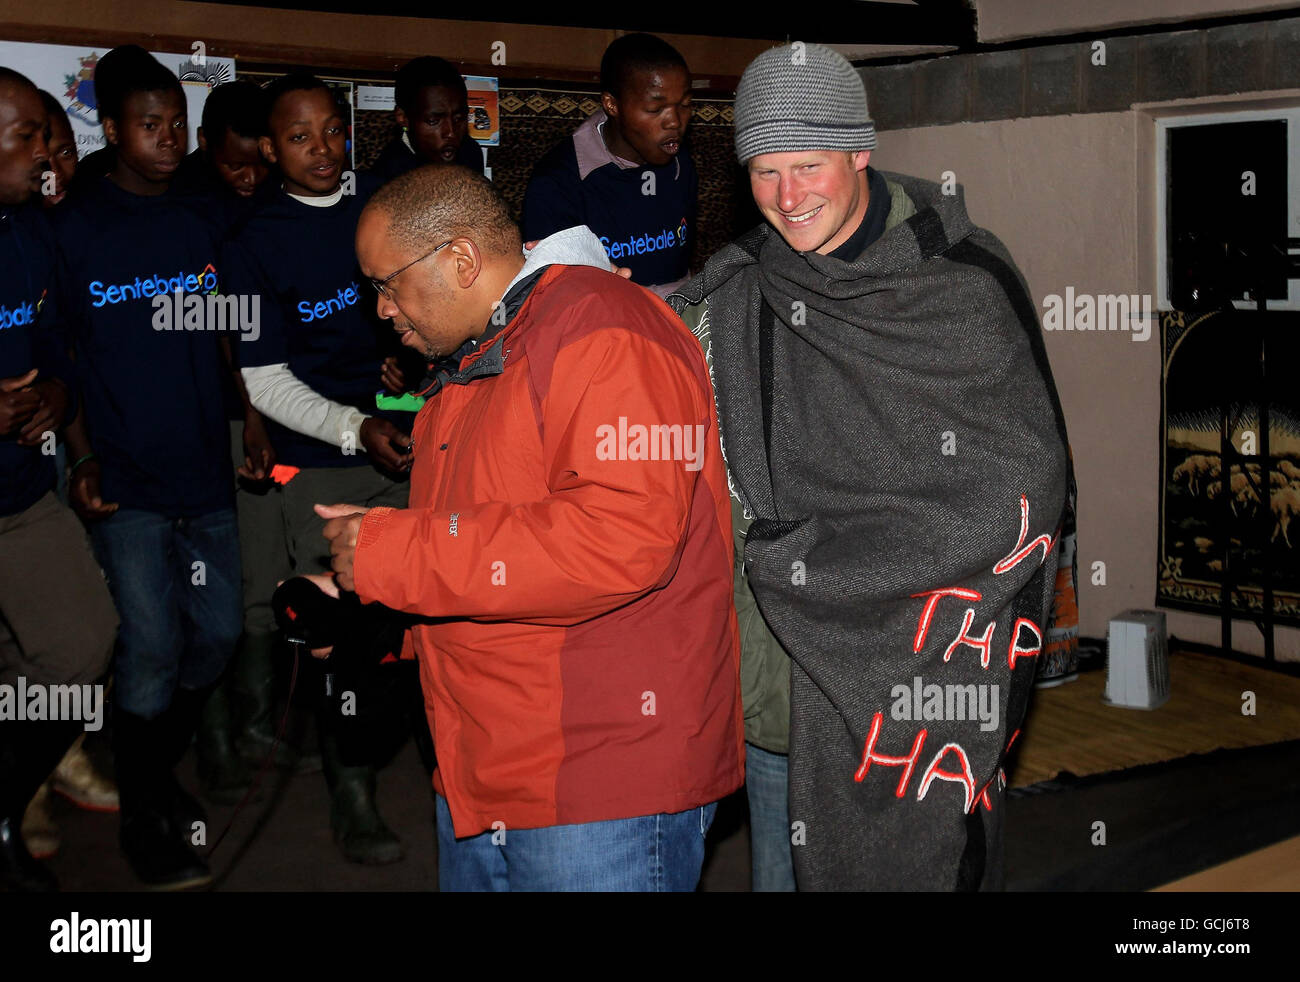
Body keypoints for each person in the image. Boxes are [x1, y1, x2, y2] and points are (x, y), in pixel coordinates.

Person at [666, 43, 1069, 891]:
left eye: (808, 166)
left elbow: (1019, 488)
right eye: (765, 172)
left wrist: (834, 568)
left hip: (929, 670)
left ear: (860, 150)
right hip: (784, 676)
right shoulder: (742, 292)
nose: (787, 198)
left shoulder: (959, 285)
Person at [319, 164, 743, 891]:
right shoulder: (484, 349)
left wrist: (391, 552)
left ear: (459, 258)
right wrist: (368, 591)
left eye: (386, 284)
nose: (382, 310)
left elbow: (621, 540)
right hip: (491, 761)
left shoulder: (605, 328)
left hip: (598, 777)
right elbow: (488, 533)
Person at [53, 45, 242, 890]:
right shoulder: (74, 228)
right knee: (153, 647)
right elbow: (64, 362)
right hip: (126, 476)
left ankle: (150, 767)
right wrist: (85, 454)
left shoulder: (200, 218)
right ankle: (144, 820)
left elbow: (225, 326)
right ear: (113, 128)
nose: (171, 139)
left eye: (180, 123)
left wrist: (253, 420)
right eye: (151, 124)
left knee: (221, 634)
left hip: (204, 467)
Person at [222, 73, 418, 865]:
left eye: (333, 131)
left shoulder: (382, 202)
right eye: (300, 138)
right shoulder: (251, 241)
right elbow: (263, 379)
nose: (322, 149)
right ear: (270, 149)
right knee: (340, 629)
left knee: (413, 610)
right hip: (319, 458)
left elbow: (413, 302)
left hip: (396, 436)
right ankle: (352, 795)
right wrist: (352, 426)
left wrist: (400, 359)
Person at [0, 67, 119, 893]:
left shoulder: (29, 235)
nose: (47, 153)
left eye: (48, 134)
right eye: (26, 136)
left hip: (16, 493)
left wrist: (55, 397)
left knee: (81, 641)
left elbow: (55, 358)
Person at [521, 33, 696, 298]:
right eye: (654, 109)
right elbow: (548, 296)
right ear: (612, 105)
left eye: (683, 105)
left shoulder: (680, 161)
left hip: (682, 315)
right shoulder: (558, 184)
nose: (674, 122)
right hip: (603, 323)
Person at [368, 56, 483, 183]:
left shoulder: (470, 153)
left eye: (459, 118)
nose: (451, 132)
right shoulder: (387, 176)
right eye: (433, 121)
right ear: (402, 118)